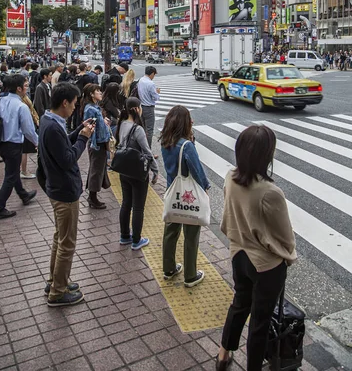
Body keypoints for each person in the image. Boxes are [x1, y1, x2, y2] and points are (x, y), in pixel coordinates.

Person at [217, 125, 296, 371]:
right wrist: (289, 257)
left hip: (238, 254)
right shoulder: (270, 192)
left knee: (239, 305)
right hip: (265, 265)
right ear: (266, 155)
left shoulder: (231, 177)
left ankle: (222, 356)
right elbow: (285, 237)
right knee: (259, 321)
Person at [38, 83, 94, 306]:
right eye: (74, 103)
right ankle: (58, 292)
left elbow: (61, 146)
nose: (75, 107)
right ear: (64, 102)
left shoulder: (49, 121)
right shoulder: (52, 127)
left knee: (59, 238)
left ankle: (55, 280)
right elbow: (68, 158)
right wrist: (83, 138)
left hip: (56, 187)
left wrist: (79, 129)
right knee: (67, 243)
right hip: (64, 190)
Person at [160, 105, 210, 288]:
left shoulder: (165, 141)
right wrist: (206, 187)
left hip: (172, 192)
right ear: (185, 122)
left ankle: (169, 268)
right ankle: (190, 275)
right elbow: (196, 170)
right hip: (188, 195)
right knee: (191, 233)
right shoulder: (186, 145)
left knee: (170, 232)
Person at [0, 75, 38, 220]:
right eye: (25, 85)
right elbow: (29, 130)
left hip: (0, 143)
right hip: (14, 144)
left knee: (12, 170)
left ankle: (23, 194)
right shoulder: (21, 106)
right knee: (10, 176)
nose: (27, 87)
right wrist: (38, 142)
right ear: (18, 88)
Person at [116, 97, 158, 251]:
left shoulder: (121, 124)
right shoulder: (137, 129)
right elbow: (147, 152)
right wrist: (156, 170)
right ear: (136, 109)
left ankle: (124, 236)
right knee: (138, 207)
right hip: (138, 172)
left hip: (124, 169)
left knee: (126, 203)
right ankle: (136, 240)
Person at [82, 84, 111, 209]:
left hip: (101, 142)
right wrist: (94, 144)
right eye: (97, 91)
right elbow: (90, 128)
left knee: (98, 169)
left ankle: (92, 196)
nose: (100, 92)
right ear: (91, 94)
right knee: (96, 170)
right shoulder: (90, 109)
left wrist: (104, 122)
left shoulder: (95, 107)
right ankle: (92, 198)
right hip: (97, 144)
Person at [137, 66, 160, 148]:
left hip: (141, 106)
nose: (154, 76)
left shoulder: (141, 80)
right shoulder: (151, 83)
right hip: (149, 108)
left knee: (142, 129)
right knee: (149, 131)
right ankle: (148, 150)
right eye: (154, 74)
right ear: (152, 73)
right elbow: (155, 97)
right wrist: (157, 92)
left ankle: (141, 147)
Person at [20, 92, 39, 180]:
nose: (26, 87)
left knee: (24, 151)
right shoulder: (22, 102)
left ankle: (23, 170)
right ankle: (24, 171)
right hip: (26, 128)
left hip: (27, 126)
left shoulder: (23, 98)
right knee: (25, 151)